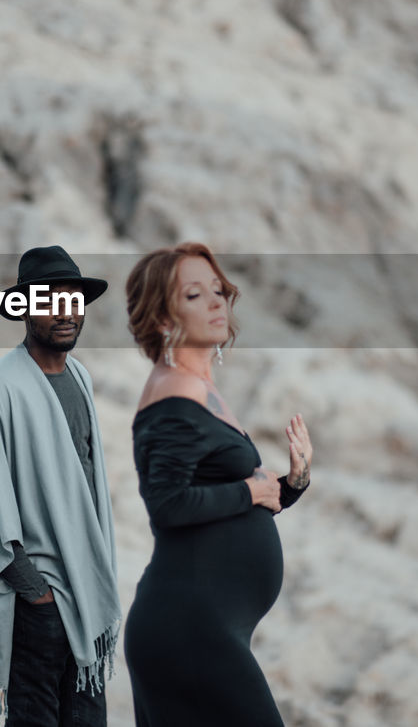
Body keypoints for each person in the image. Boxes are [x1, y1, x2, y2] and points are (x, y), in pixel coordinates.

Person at [122, 242, 313, 727]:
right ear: (164, 319)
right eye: (194, 294)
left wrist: (292, 482)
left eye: (218, 290)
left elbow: (226, 499)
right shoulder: (176, 391)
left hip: (203, 626)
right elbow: (167, 504)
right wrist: (251, 491)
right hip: (189, 628)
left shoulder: (199, 389)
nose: (215, 302)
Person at [0, 245, 122, 727]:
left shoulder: (80, 378)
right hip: (40, 599)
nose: (66, 313)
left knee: (88, 719)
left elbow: (87, 483)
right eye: (50, 301)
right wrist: (36, 592)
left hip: (86, 591)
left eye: (74, 301)